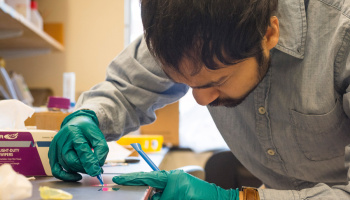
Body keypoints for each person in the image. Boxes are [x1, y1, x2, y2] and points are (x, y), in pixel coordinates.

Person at [48, 0, 350, 199]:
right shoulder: (183, 26)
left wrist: (237, 198)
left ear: (269, 33)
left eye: (217, 81)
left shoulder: (342, 36)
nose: (201, 100)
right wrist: (88, 118)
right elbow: (124, 90)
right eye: (184, 81)